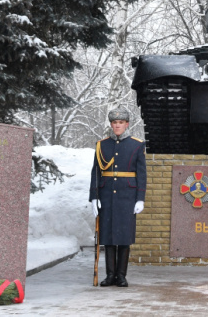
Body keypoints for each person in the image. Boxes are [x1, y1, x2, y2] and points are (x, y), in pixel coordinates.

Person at [90, 109, 147, 287]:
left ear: (127, 124)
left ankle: (121, 276)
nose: (117, 125)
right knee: (107, 237)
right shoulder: (102, 145)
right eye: (114, 123)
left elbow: (141, 174)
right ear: (111, 124)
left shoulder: (137, 145)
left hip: (127, 197)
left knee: (123, 237)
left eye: (121, 122)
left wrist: (140, 198)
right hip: (106, 196)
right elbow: (96, 173)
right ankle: (110, 275)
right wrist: (94, 197)